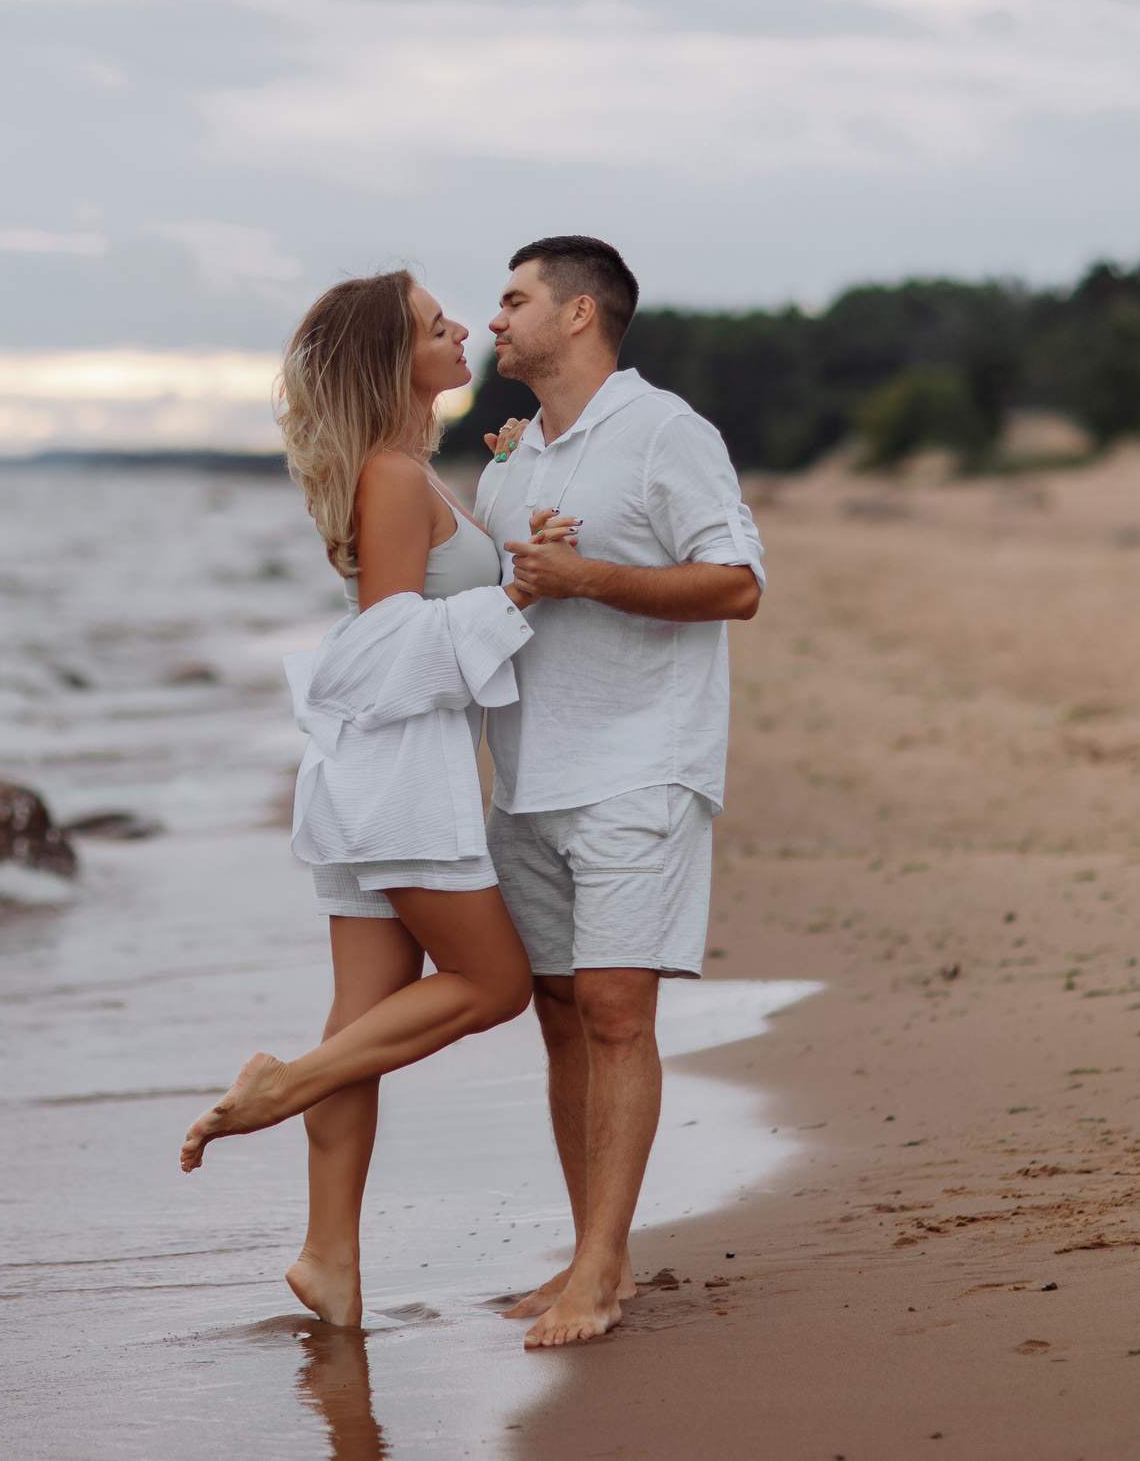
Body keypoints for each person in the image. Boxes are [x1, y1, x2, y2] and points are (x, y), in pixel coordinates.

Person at [178, 269, 553, 1331]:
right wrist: (518, 592)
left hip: (372, 772)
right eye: (437, 326)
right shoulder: (391, 478)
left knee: (365, 1018)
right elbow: (390, 645)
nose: (460, 332)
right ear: (396, 360)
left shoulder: (414, 473)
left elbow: (428, 602)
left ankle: (328, 1259)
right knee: (493, 985)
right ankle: (278, 1087)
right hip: (398, 780)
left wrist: (515, 487)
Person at [475, 235, 765, 1349]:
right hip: (529, 774)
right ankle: (596, 1251)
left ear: (581, 314)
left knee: (611, 1009)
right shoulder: (513, 458)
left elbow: (737, 584)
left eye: (513, 299)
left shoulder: (664, 431)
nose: (493, 319)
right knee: (558, 1015)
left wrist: (586, 575)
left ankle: (599, 1268)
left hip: (642, 763)